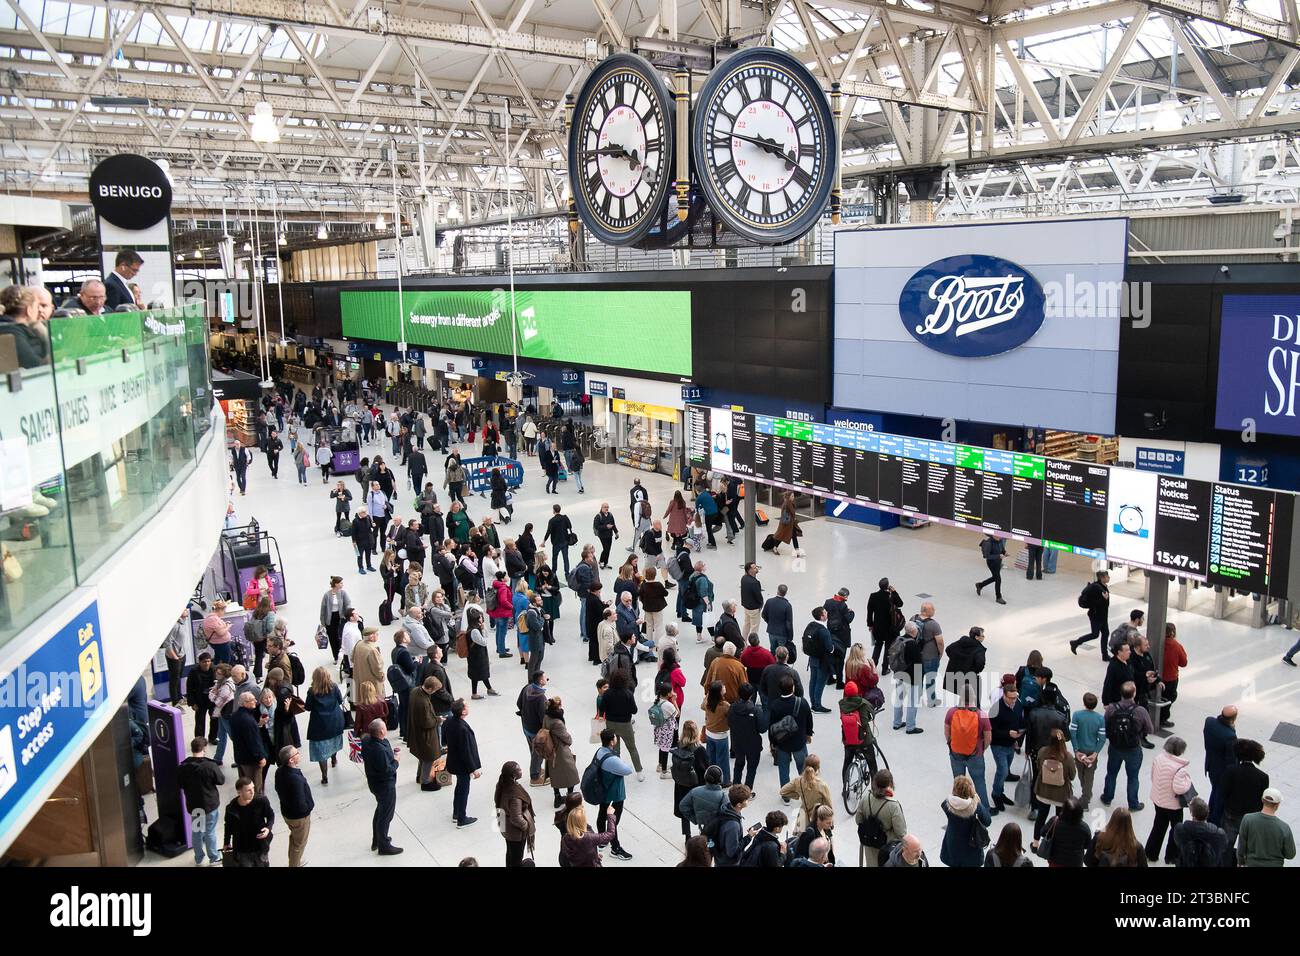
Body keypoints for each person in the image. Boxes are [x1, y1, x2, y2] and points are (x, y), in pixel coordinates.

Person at [1101, 681, 1153, 811]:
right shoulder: (1140, 711)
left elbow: (1105, 724)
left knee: (1111, 773)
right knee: (1133, 777)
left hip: (1115, 747)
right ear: (1134, 693)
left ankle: (1107, 798)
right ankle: (1133, 804)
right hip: (1133, 749)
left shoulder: (1112, 708)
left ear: (1121, 693)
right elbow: (1150, 729)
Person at [1145, 735, 1195, 863]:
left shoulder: (1158, 758)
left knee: (1158, 826)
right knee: (1176, 829)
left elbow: (1152, 777)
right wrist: (1188, 781)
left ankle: (1151, 853)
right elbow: (1180, 789)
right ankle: (1171, 856)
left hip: (1158, 800)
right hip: (1173, 805)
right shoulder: (1179, 768)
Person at [946, 687, 994, 814]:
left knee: (958, 782)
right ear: (974, 697)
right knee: (979, 782)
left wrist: (951, 745)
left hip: (956, 754)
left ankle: (958, 808)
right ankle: (985, 810)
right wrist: (981, 749)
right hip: (975, 755)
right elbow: (988, 738)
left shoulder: (951, 712)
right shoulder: (981, 714)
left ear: (960, 697)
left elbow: (947, 733)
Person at [177, 737, 224, 866]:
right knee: (210, 831)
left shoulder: (183, 767)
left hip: (194, 805)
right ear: (204, 749)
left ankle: (198, 858)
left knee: (197, 831)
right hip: (210, 804)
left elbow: (179, 784)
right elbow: (221, 780)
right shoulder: (210, 765)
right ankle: (214, 857)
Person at [359, 719, 402, 855]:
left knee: (380, 811)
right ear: (382, 731)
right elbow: (387, 770)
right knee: (385, 815)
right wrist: (396, 760)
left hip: (375, 784)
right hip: (385, 786)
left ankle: (377, 839)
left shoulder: (367, 741)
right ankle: (383, 845)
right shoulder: (379, 750)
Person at [592, 728, 635, 861]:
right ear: (612, 741)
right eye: (615, 737)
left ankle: (602, 839)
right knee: (613, 820)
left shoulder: (600, 752)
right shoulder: (612, 759)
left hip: (603, 790)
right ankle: (615, 848)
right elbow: (628, 770)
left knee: (602, 813)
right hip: (615, 793)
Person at [1031, 728, 1076, 849]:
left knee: (1041, 816)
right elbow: (1072, 776)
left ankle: (1035, 843)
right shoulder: (1068, 757)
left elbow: (1038, 767)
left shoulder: (1042, 752)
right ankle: (1054, 843)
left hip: (1043, 792)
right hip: (1061, 795)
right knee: (1059, 820)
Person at [1221, 738, 1269, 850]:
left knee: (1227, 845)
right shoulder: (1263, 777)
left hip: (1232, 813)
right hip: (1250, 818)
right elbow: (1262, 799)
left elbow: (1223, 793)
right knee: (1246, 847)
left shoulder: (1231, 770)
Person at [987, 675, 1025, 814]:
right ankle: (996, 794)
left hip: (1010, 745)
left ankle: (1000, 793)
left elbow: (1019, 722)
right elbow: (991, 731)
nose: (1014, 700)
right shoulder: (995, 709)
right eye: (1011, 698)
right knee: (1002, 770)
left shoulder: (1018, 704)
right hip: (998, 745)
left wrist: (1016, 738)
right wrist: (1008, 734)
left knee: (1005, 770)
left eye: (1015, 697)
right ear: (1004, 695)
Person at [855, 769, 906, 868]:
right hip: (887, 849)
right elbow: (901, 833)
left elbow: (858, 820)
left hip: (869, 845)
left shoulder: (865, 799)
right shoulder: (893, 806)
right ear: (890, 784)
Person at [444, 698, 482, 828]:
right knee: (464, 789)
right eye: (466, 706)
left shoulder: (449, 721)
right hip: (462, 765)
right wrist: (473, 769)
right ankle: (462, 818)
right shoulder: (462, 729)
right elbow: (466, 752)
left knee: (459, 787)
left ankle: (456, 813)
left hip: (454, 761)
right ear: (463, 712)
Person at [940, 774, 993, 868]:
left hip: (953, 843)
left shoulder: (947, 803)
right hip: (971, 845)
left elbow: (944, 805)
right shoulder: (975, 807)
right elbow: (987, 821)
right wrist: (976, 800)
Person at [273, 746, 314, 867]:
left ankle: (295, 860)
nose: (299, 753)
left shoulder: (280, 771)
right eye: (296, 753)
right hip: (299, 817)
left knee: (294, 839)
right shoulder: (294, 779)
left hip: (287, 812)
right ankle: (294, 863)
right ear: (291, 760)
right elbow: (300, 803)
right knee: (299, 844)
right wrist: (308, 809)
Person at [303, 667, 345, 785]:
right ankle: (334, 759)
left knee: (322, 751)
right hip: (335, 722)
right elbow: (340, 700)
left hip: (319, 725)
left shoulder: (312, 691)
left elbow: (308, 707)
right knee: (333, 743)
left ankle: (324, 776)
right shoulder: (334, 687)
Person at [222, 777, 274, 867]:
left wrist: (268, 828)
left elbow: (270, 815)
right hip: (243, 849)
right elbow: (228, 826)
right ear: (239, 792)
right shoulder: (231, 808)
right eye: (248, 790)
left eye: (253, 788)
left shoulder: (261, 800)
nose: (252, 792)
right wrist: (226, 842)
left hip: (260, 846)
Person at [1237, 788, 1295, 867]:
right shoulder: (1284, 827)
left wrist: (1241, 862)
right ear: (1277, 805)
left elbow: (1241, 847)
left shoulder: (1247, 819)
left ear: (1262, 800)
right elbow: (1290, 854)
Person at [494, 761, 536, 867]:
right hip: (516, 832)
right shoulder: (514, 795)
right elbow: (516, 818)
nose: (521, 770)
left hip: (505, 825)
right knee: (517, 857)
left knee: (510, 852)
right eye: (519, 769)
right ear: (513, 775)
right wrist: (526, 825)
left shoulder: (502, 784)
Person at [408, 675, 446, 791]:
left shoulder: (415, 691)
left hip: (416, 732)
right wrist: (438, 720)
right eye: (434, 690)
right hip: (425, 735)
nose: (434, 692)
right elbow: (426, 723)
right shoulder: (423, 702)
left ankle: (419, 776)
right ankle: (425, 782)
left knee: (422, 756)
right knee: (428, 757)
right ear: (430, 689)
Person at [1069, 692, 1106, 810]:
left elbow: (1073, 734)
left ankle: (1085, 797)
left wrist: (1076, 750)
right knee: (1089, 776)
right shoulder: (1100, 718)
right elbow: (1102, 738)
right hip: (1091, 752)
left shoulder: (1077, 715)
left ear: (1084, 703)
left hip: (1080, 751)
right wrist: (1095, 753)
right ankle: (1087, 795)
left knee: (1081, 774)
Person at [1203, 705, 1239, 826]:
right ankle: (1214, 821)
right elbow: (1231, 760)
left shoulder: (1209, 722)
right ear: (1233, 719)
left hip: (1211, 765)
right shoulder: (1230, 735)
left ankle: (1209, 813)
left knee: (1214, 791)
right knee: (1219, 796)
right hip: (1222, 771)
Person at [1170, 797, 1231, 867]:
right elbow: (1223, 847)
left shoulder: (1181, 829)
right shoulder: (1219, 834)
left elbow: (1178, 842)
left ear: (1192, 814)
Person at [779, 753, 833, 831]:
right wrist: (831, 821)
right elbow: (829, 805)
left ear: (805, 765)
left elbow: (783, 791)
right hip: (818, 816)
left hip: (803, 814)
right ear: (818, 767)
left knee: (800, 837)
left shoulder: (798, 781)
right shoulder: (822, 785)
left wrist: (797, 794)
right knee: (818, 840)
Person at [542, 697, 579, 808]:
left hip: (550, 749)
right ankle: (571, 796)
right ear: (558, 706)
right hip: (560, 750)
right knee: (571, 773)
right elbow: (567, 739)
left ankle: (557, 797)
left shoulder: (546, 717)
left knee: (554, 773)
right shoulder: (557, 722)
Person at [230, 692, 268, 796]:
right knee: (254, 788)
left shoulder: (235, 716)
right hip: (251, 761)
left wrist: (259, 724)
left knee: (243, 785)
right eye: (252, 700)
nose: (256, 701)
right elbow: (253, 742)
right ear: (245, 703)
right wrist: (261, 757)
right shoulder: (248, 720)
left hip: (240, 757)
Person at [890, 621, 924, 734]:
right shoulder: (912, 644)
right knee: (912, 702)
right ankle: (910, 727)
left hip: (899, 675)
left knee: (898, 700)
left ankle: (897, 723)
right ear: (914, 631)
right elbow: (918, 663)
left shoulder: (899, 639)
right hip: (911, 677)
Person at [1070, 570, 1111, 658]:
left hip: (1103, 616)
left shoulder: (1103, 586)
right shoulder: (1097, 588)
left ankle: (1105, 655)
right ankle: (1075, 643)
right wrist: (1103, 599)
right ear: (1102, 578)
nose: (1109, 578)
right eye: (1107, 577)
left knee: (1106, 633)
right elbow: (1095, 603)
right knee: (1095, 634)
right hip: (1096, 616)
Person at [517, 671, 549, 786]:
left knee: (533, 749)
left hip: (526, 726)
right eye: (546, 678)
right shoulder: (541, 698)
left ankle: (537, 769)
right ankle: (535, 777)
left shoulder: (527, 688)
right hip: (536, 731)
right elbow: (543, 718)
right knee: (538, 752)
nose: (547, 679)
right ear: (541, 681)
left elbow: (518, 703)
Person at [560, 803, 617, 867]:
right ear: (583, 821)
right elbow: (610, 834)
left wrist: (594, 856)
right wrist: (610, 815)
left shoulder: (566, 838)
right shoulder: (589, 837)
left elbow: (567, 857)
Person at [865, 577, 903, 674]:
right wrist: (894, 592)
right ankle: (885, 668)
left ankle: (873, 667)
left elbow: (870, 612)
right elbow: (900, 604)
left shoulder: (873, 596)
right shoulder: (891, 596)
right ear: (888, 586)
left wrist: (870, 624)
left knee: (878, 646)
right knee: (888, 648)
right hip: (890, 627)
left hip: (878, 627)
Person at [802, 605, 835, 713]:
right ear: (821, 617)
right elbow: (830, 649)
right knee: (820, 683)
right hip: (823, 661)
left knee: (813, 680)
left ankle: (813, 703)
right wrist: (833, 647)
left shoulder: (810, 625)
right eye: (825, 612)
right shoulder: (824, 631)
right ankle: (817, 706)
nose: (827, 613)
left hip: (812, 658)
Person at [911, 601, 944, 707]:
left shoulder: (913, 619)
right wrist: (940, 653)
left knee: (917, 678)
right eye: (932, 609)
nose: (934, 610)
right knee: (930, 679)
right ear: (927, 611)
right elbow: (940, 642)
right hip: (931, 656)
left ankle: (916, 698)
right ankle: (931, 701)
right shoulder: (934, 624)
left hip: (916, 655)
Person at [711, 784, 753, 867]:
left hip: (720, 858)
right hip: (728, 863)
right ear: (739, 805)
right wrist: (749, 837)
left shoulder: (726, 809)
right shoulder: (733, 825)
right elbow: (732, 852)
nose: (748, 801)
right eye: (746, 800)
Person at [822, 587, 854, 689]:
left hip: (831, 633)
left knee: (830, 655)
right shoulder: (843, 606)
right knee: (840, 658)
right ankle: (839, 682)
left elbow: (824, 613)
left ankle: (829, 677)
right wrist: (852, 612)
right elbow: (848, 619)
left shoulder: (828, 602)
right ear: (844, 596)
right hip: (842, 636)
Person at [185, 653, 218, 745]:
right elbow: (189, 688)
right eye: (204, 662)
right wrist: (192, 703)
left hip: (212, 700)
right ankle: (200, 741)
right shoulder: (193, 671)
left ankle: (213, 737)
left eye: (208, 661)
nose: (207, 663)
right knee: (200, 722)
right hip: (200, 700)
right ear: (199, 662)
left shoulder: (214, 669)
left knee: (215, 719)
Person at [1160, 622, 1188, 728]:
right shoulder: (1176, 645)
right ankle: (1163, 718)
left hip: (1156, 676)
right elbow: (1183, 663)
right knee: (1169, 697)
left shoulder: (1157, 641)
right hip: (1170, 678)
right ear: (1172, 633)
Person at [464, 606, 496, 698]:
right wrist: (483, 629)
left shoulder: (473, 628)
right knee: (478, 673)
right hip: (477, 655)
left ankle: (488, 688)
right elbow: (484, 642)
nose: (482, 618)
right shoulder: (474, 631)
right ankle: (475, 693)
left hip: (477, 654)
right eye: (481, 617)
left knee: (481, 672)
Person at [760, 582, 795, 657]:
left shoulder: (769, 601)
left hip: (771, 631)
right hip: (782, 634)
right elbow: (789, 623)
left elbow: (763, 615)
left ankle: (772, 664)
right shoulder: (787, 605)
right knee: (781, 653)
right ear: (785, 593)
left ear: (777, 591)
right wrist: (790, 636)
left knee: (773, 650)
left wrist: (769, 622)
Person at [975, 533, 1008, 604]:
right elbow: (987, 556)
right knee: (998, 579)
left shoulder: (1000, 540)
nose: (999, 536)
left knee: (995, 577)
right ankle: (998, 597)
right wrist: (998, 556)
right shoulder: (988, 543)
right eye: (997, 535)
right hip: (991, 563)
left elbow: (1002, 549)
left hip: (998, 562)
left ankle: (980, 585)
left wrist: (1005, 552)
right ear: (993, 535)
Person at [543, 503, 573, 576]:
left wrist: (544, 541)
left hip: (556, 542)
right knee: (565, 558)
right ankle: (567, 573)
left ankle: (554, 572)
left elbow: (548, 531)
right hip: (565, 541)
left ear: (554, 511)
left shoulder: (552, 520)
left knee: (555, 558)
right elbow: (570, 526)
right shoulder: (565, 518)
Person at [1101, 640, 1133, 706]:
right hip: (1118, 701)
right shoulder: (1114, 666)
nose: (1130, 652)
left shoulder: (1128, 661)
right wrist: (1106, 702)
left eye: (1129, 649)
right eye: (1127, 650)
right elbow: (1108, 684)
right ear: (1119, 652)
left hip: (1129, 698)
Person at [772, 489, 801, 555]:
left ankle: (797, 551)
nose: (793, 497)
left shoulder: (789, 502)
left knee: (793, 536)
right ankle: (775, 547)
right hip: (786, 524)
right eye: (792, 496)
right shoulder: (787, 503)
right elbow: (789, 513)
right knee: (781, 536)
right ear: (789, 496)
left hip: (790, 524)